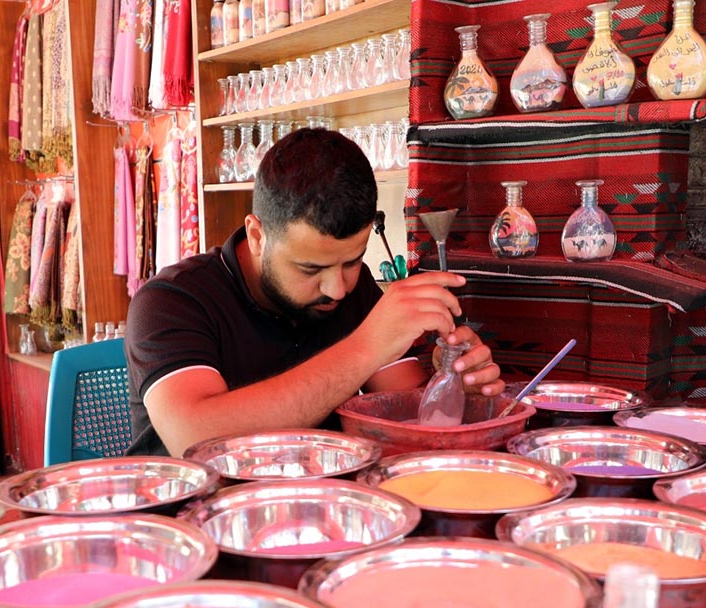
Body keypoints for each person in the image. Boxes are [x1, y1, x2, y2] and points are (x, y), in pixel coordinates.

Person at [124, 128, 504, 457]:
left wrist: (454, 383)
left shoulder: (355, 290)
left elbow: (406, 414)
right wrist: (368, 345)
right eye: (310, 269)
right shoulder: (172, 302)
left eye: (352, 261)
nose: (336, 288)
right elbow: (196, 440)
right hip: (194, 523)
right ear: (257, 236)